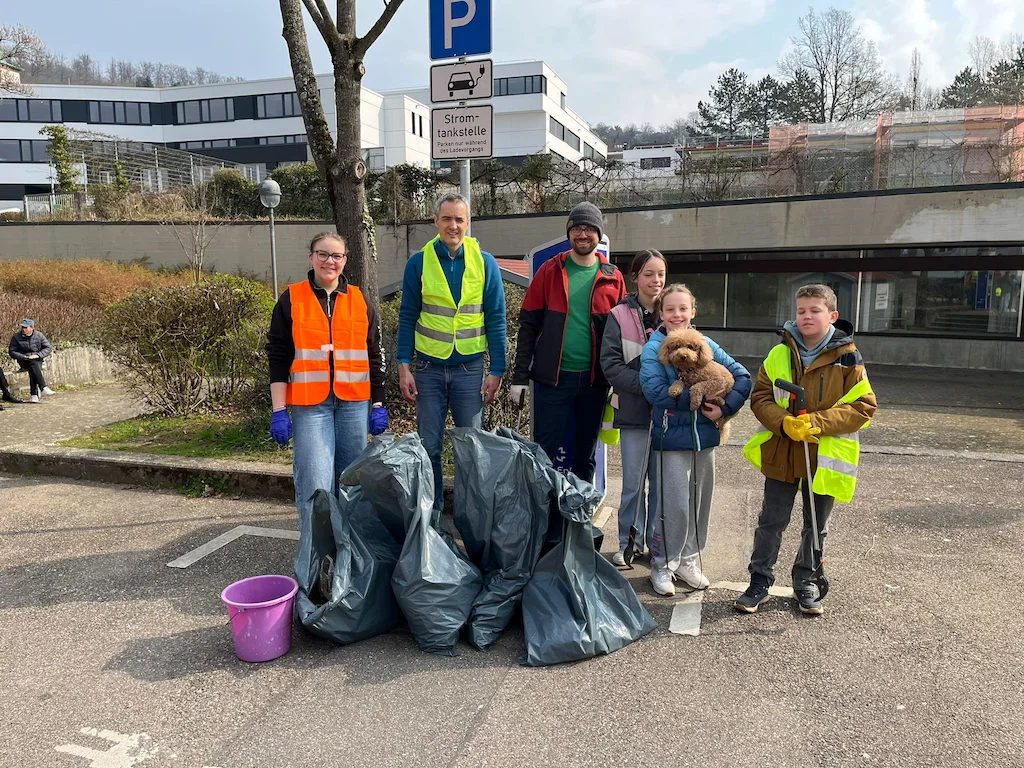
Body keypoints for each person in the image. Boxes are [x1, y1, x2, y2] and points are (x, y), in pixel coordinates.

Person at [735, 284, 876, 616]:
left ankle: (807, 582)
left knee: (816, 525)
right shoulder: (779, 354)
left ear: (832, 315)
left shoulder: (848, 358)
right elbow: (761, 397)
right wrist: (784, 422)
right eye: (801, 311)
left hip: (823, 458)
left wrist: (816, 422)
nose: (806, 317)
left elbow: (863, 406)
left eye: (815, 310)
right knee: (771, 521)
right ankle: (759, 581)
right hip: (783, 452)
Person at [266, 232, 388, 527]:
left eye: (336, 256)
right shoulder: (291, 299)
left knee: (352, 482)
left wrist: (378, 403)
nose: (329, 261)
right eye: (322, 254)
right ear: (311, 258)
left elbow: (375, 354)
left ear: (345, 260)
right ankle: (316, 552)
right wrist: (279, 410)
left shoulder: (360, 300)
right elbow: (278, 356)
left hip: (354, 404)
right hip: (311, 406)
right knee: (316, 483)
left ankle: (351, 550)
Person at [396, 193, 507, 516]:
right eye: (446, 218)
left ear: (468, 223)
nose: (453, 225)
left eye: (459, 219)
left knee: (471, 450)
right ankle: (430, 521)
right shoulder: (418, 263)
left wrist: (497, 369)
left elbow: (496, 317)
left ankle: (471, 520)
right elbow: (407, 316)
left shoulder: (485, 262)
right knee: (428, 447)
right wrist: (404, 365)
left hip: (470, 369)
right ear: (436, 221)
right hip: (428, 369)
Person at [640, 284, 751, 597]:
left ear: (692, 312)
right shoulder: (654, 348)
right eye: (670, 309)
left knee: (700, 502)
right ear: (661, 313)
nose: (676, 315)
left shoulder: (705, 343)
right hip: (671, 437)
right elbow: (655, 392)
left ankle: (689, 559)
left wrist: (725, 408)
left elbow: (742, 377)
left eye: (682, 309)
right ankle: (662, 564)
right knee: (673, 505)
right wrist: (695, 395)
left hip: (705, 436)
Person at [510, 202, 626, 483]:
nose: (582, 234)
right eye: (576, 228)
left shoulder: (613, 278)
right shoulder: (550, 271)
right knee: (543, 454)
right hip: (554, 381)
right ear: (569, 232)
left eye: (589, 229)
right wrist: (520, 377)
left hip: (595, 382)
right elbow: (528, 325)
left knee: (585, 456)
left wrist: (621, 384)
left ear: (599, 234)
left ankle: (580, 510)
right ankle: (544, 510)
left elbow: (623, 335)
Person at [599, 249, 666, 565]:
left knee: (662, 486)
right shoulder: (618, 315)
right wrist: (649, 385)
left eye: (661, 274)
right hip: (633, 412)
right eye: (649, 274)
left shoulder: (673, 310)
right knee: (633, 485)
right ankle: (629, 544)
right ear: (635, 277)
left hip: (668, 416)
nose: (656, 280)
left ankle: (657, 545)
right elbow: (610, 365)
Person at [9, 319, 54, 404]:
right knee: (33, 364)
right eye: (22, 327)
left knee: (33, 365)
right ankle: (43, 387)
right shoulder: (16, 337)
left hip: (37, 359)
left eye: (26, 327)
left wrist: (38, 355)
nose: (23, 329)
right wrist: (23, 357)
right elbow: (12, 351)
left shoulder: (39, 335)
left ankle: (34, 395)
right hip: (24, 360)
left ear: (32, 328)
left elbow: (47, 348)